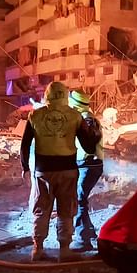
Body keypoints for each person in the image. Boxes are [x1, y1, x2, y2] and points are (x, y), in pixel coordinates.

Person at [20, 82, 100, 261]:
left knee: (41, 209)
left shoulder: (35, 115)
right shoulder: (75, 116)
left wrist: (25, 168)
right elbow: (88, 146)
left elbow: (25, 145)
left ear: (47, 95)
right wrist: (95, 134)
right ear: (65, 95)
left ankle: (37, 249)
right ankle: (64, 250)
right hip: (68, 170)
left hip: (43, 171)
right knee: (66, 210)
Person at [68, 90, 104, 252]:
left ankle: (82, 240)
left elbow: (88, 144)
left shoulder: (85, 119)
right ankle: (88, 232)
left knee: (78, 200)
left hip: (87, 164)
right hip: (90, 164)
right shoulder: (86, 117)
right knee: (80, 199)